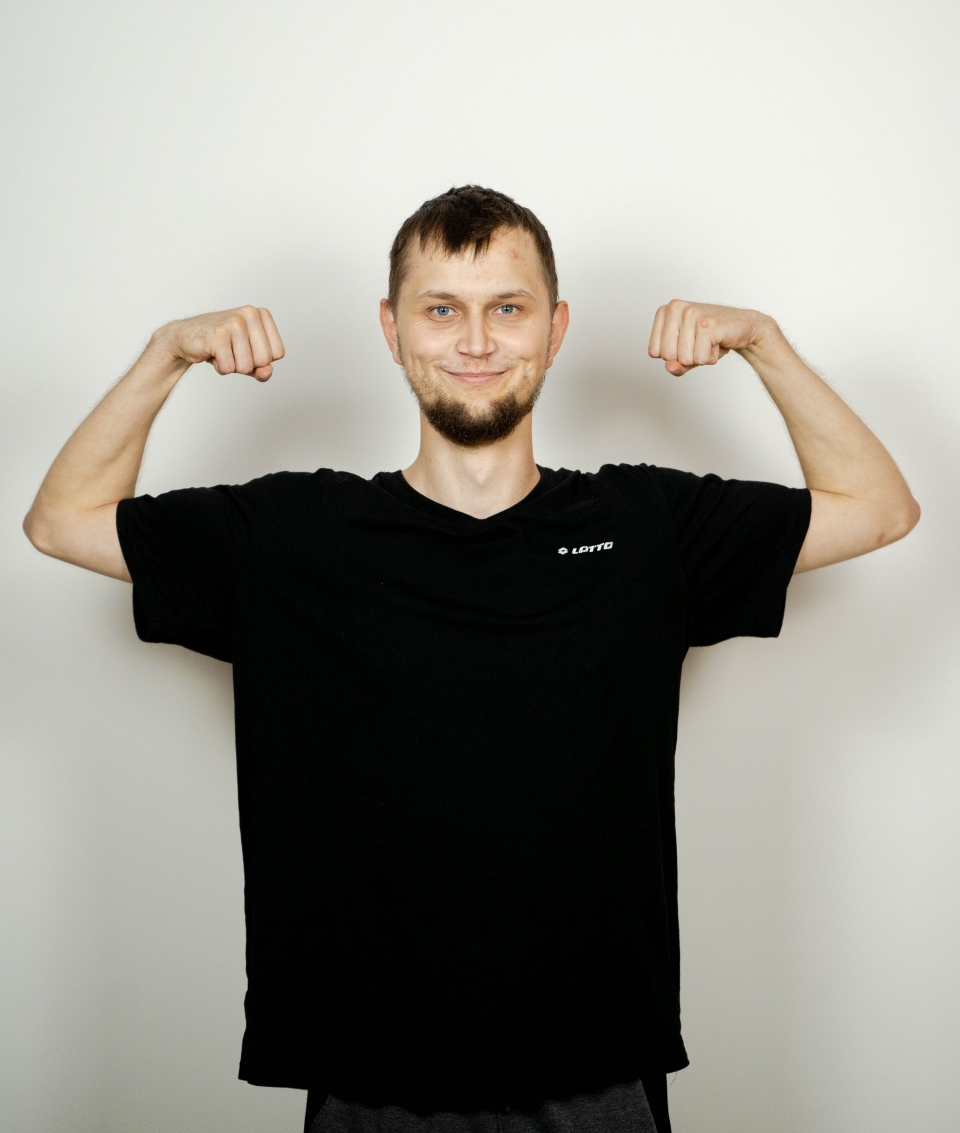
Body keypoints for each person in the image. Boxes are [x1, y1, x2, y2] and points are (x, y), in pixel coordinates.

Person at [24, 185, 920, 1133]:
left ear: (556, 330)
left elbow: (878, 508)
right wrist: (164, 356)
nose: (478, 341)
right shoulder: (291, 535)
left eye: (509, 308)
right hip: (369, 1079)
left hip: (596, 1074)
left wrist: (765, 345)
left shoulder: (644, 526)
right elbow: (62, 521)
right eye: (442, 310)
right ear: (392, 330)